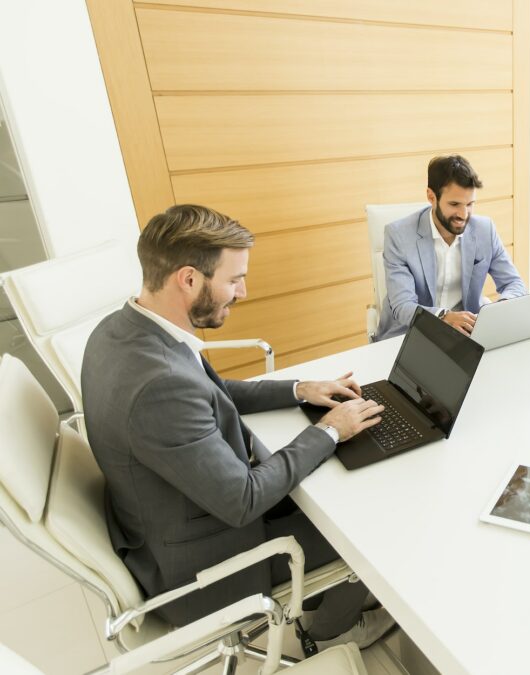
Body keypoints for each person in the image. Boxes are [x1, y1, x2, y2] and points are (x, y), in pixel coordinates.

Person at [82, 205, 396, 651]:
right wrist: (329, 430)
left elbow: (211, 389)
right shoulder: (160, 386)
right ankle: (332, 632)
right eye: (233, 280)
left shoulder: (121, 330)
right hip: (205, 567)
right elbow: (243, 499)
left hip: (171, 515)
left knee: (330, 481)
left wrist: (300, 390)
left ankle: (320, 600)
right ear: (188, 279)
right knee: (364, 520)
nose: (243, 292)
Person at [375, 154, 525, 340]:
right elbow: (403, 306)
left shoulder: (484, 230)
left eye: (470, 204)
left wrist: (499, 308)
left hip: (464, 335)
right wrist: (444, 317)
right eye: (454, 204)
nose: (463, 214)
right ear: (431, 196)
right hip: (412, 332)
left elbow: (514, 283)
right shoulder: (399, 235)